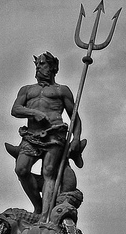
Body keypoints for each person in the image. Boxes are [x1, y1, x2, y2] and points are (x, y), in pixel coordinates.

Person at [10, 53, 84, 220]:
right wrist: (33, 112)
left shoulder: (61, 90)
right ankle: (38, 205)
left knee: (48, 171)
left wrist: (76, 139)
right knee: (21, 169)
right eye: (37, 64)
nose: (38, 67)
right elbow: (15, 109)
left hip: (54, 134)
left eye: (42, 64)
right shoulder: (27, 90)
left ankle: (45, 217)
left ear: (53, 68)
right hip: (32, 136)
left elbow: (75, 119)